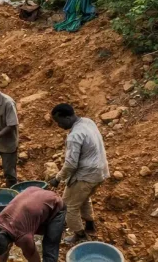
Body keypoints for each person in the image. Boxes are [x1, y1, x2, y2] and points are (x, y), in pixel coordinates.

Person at [48, 103, 109, 245]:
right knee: (83, 197)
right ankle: (89, 226)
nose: (58, 125)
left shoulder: (74, 136)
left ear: (68, 117)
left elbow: (70, 164)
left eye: (59, 121)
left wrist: (57, 179)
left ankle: (80, 235)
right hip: (100, 171)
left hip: (86, 175)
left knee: (68, 206)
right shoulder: (88, 121)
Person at [0, 187, 66, 262]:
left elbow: (33, 258)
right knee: (35, 226)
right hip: (33, 193)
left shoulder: (23, 237)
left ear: (9, 246)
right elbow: (1, 246)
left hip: (55, 205)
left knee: (50, 244)